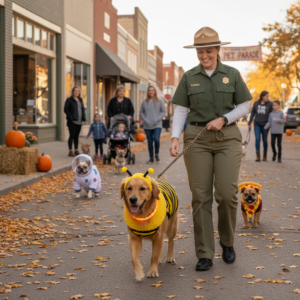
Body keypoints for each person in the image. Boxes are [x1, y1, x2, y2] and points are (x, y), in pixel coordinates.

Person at [169, 27, 252, 271]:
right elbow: (181, 110)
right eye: (200, 51)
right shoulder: (189, 77)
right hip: (197, 138)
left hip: (227, 138)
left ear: (218, 50)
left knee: (227, 194)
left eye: (208, 51)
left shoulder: (232, 74)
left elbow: (245, 105)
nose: (204, 56)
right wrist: (175, 136)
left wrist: (224, 119)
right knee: (200, 197)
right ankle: (204, 252)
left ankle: (227, 243)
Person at [140, 85, 166, 164]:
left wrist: (158, 118)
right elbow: (141, 112)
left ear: (155, 91)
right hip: (147, 125)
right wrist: (145, 119)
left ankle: (156, 154)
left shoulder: (159, 101)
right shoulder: (145, 101)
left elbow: (163, 111)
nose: (151, 92)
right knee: (150, 141)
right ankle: (151, 157)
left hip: (157, 124)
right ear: (148, 92)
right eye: (149, 90)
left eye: (152, 90)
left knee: (157, 140)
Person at [248, 91, 273, 162]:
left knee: (265, 140)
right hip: (257, 124)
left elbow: (271, 115)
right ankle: (258, 156)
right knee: (258, 139)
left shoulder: (270, 104)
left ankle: (265, 156)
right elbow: (252, 113)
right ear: (262, 96)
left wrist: (269, 124)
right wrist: (249, 123)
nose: (267, 97)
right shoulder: (256, 103)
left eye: (268, 96)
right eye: (266, 96)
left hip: (265, 125)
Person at [64, 86, 87, 157]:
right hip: (72, 121)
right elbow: (65, 109)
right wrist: (70, 116)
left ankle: (76, 150)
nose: (76, 92)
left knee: (76, 136)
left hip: (79, 121)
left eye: (78, 91)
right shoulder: (69, 100)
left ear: (79, 92)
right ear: (73, 92)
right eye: (75, 91)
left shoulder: (80, 100)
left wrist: (84, 119)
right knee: (72, 136)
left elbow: (82, 110)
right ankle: (70, 151)